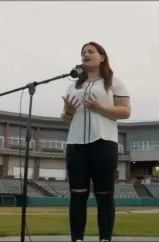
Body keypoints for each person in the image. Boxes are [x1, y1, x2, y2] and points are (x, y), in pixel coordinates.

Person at [60, 42, 131, 242]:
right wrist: (68, 112)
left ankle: (105, 238)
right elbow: (64, 118)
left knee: (104, 195)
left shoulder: (114, 83)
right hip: (76, 145)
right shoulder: (73, 85)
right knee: (77, 194)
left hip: (104, 143)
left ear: (102, 56)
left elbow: (125, 111)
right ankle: (77, 238)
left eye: (91, 51)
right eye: (83, 52)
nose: (86, 54)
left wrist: (100, 107)